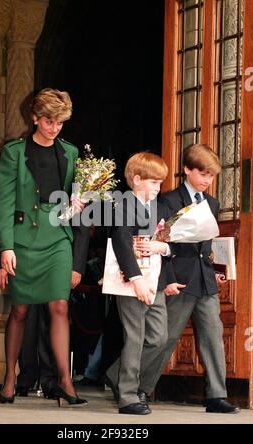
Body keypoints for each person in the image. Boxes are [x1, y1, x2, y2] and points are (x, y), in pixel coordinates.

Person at [0, 88, 89, 406]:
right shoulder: (14, 152)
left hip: (57, 238)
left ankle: (64, 380)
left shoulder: (71, 152)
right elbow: (4, 204)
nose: (54, 128)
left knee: (59, 306)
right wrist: (5, 248)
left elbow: (75, 200)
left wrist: (79, 204)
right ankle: (10, 375)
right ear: (35, 117)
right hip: (23, 239)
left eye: (60, 123)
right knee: (20, 309)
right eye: (49, 121)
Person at [148, 144, 240, 414]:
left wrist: (218, 268)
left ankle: (216, 395)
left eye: (212, 176)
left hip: (206, 281)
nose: (208, 181)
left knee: (213, 335)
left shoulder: (212, 203)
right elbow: (160, 243)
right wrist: (167, 279)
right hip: (179, 279)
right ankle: (135, 386)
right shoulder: (167, 201)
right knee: (166, 337)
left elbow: (207, 245)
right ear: (187, 170)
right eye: (204, 174)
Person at [105, 152, 171, 415]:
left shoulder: (159, 207)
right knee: (135, 337)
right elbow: (121, 241)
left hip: (156, 280)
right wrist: (136, 279)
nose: (158, 188)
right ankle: (128, 396)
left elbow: (170, 241)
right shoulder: (122, 205)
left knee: (159, 337)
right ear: (136, 180)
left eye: (160, 183)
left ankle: (115, 375)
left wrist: (163, 247)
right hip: (131, 281)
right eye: (154, 182)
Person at [0, 253, 58, 399]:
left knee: (51, 318)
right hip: (22, 256)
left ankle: (50, 381)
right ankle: (23, 378)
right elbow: (4, 230)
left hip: (53, 257)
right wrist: (0, 264)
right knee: (22, 315)